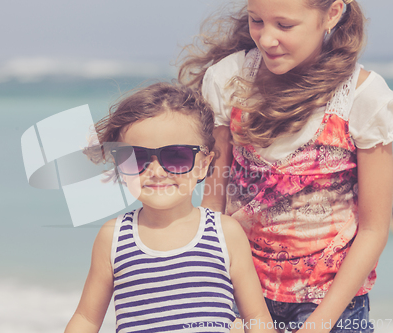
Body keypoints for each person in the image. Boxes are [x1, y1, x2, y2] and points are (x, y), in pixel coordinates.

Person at [178, 0, 393, 332]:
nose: (266, 39)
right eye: (257, 21)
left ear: (332, 14)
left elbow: (374, 229)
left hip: (333, 304)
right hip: (240, 291)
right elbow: (214, 203)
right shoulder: (228, 79)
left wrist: (318, 324)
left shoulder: (364, 98)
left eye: (285, 26)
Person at [65, 82, 276, 333]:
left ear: (203, 164)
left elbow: (257, 318)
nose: (156, 172)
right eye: (137, 157)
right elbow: (86, 319)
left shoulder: (225, 233)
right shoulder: (113, 237)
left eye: (176, 156)